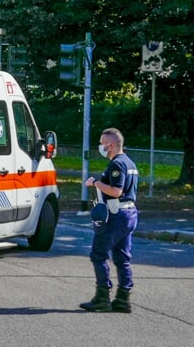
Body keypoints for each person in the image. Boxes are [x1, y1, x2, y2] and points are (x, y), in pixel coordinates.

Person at [80, 127, 139, 312]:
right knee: (122, 258)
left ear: (111, 145)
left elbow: (116, 191)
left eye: (102, 143)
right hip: (130, 214)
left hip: (116, 215)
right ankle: (123, 299)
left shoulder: (117, 164)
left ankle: (102, 297)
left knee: (98, 255)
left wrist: (95, 183)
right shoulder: (130, 163)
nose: (101, 146)